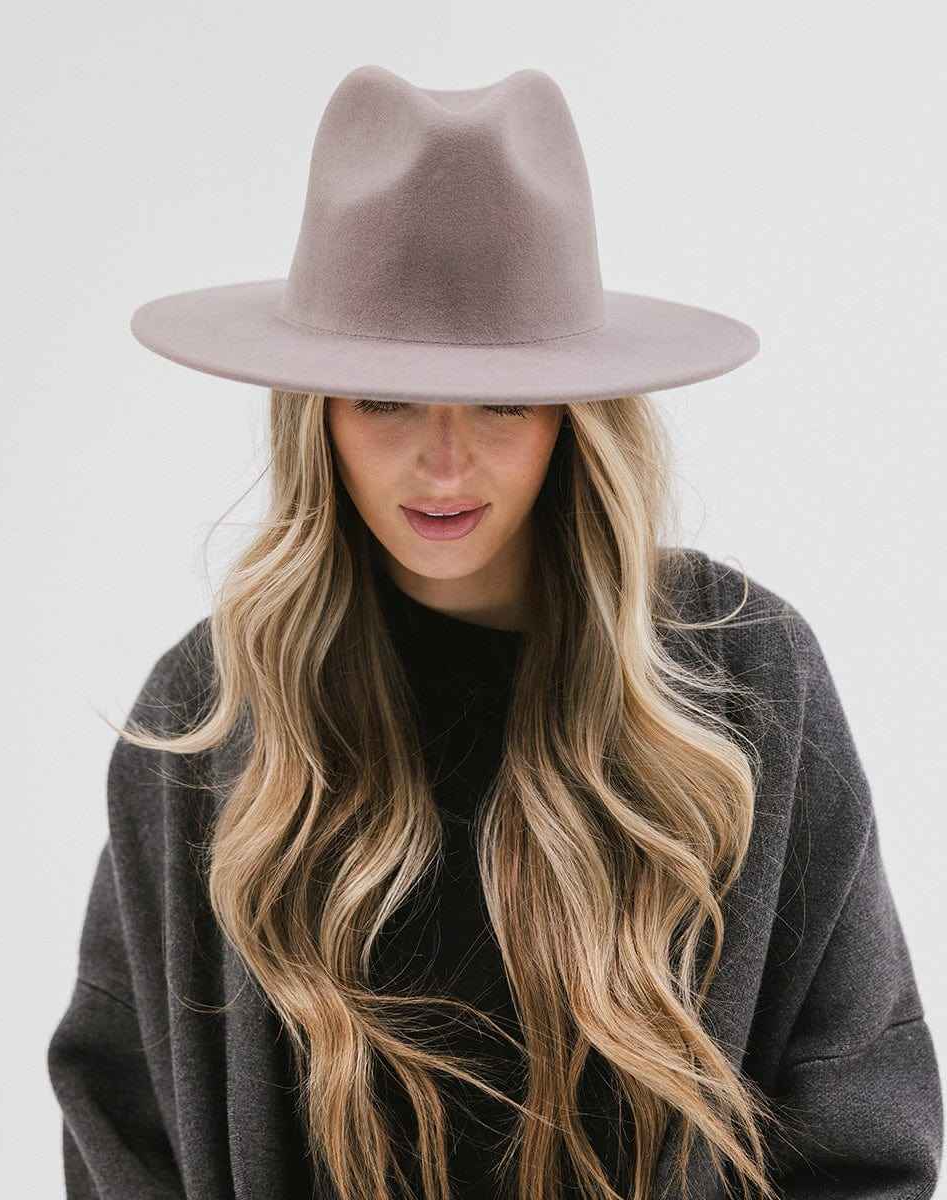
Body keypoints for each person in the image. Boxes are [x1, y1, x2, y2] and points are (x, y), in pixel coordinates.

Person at [46, 65, 942, 1200]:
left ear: (577, 414)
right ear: (313, 412)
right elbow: (121, 1127)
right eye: (384, 399)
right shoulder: (210, 716)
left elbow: (860, 1127)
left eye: (503, 401)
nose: (444, 463)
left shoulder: (744, 682)